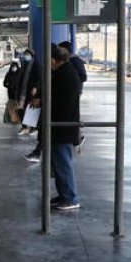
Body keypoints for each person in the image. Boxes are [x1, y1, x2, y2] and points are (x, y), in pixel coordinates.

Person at [49, 44, 82, 211]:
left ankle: (70, 198)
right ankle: (64, 195)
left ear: (54, 60)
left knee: (63, 164)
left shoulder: (65, 75)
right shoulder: (65, 72)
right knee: (60, 164)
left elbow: (62, 102)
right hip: (62, 125)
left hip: (62, 126)